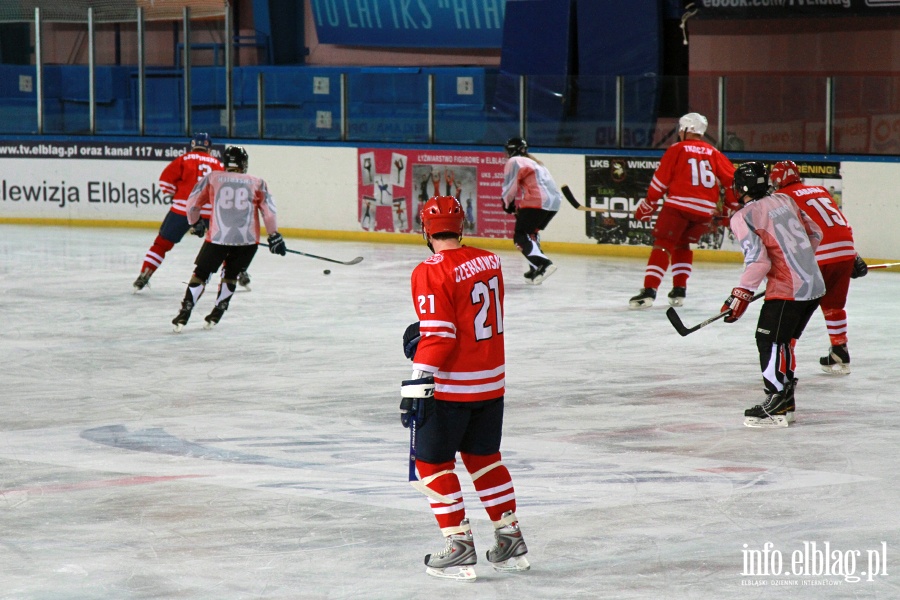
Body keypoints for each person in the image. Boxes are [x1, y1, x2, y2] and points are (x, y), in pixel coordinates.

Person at [399, 195, 529, 581]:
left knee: (432, 463)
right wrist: (425, 333)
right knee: (484, 457)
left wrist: (416, 381)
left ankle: (458, 546)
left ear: (425, 229)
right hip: (491, 381)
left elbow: (442, 336)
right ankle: (510, 540)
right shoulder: (490, 259)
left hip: (452, 387)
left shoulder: (429, 269)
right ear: (462, 225)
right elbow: (466, 317)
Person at [721, 162, 825, 427]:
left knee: (768, 341)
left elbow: (758, 262)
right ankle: (785, 400)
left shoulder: (742, 216)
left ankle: (777, 403)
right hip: (814, 285)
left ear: (740, 188)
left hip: (789, 289)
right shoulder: (784, 199)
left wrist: (740, 295)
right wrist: (797, 264)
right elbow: (816, 232)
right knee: (783, 341)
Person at [171, 146, 286, 332]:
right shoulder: (257, 182)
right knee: (230, 275)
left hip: (217, 237)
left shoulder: (213, 178)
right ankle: (218, 311)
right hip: (247, 241)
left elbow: (192, 204)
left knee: (201, 274)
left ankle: (185, 311)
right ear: (244, 164)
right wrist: (274, 235)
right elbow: (269, 214)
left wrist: (195, 222)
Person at [629, 112, 738, 308]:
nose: (680, 132)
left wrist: (648, 205)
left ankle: (649, 291)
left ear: (687, 129)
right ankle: (679, 289)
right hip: (704, 211)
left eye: (681, 129)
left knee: (663, 244)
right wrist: (730, 208)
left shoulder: (677, 149)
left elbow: (661, 180)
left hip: (678, 207)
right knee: (682, 244)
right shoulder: (714, 152)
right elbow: (732, 182)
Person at [770, 160, 867, 375]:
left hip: (817, 255)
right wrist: (853, 255)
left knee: (796, 308)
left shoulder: (780, 198)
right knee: (834, 304)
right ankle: (840, 351)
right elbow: (839, 221)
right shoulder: (820, 190)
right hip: (845, 250)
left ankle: (784, 360)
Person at [132, 134, 253, 293]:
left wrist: (176, 195)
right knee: (224, 245)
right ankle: (240, 273)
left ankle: (145, 273)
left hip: (184, 208)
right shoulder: (217, 163)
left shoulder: (184, 159)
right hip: (210, 211)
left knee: (162, 243)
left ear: (193, 145)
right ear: (209, 147)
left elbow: (165, 182)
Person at [501, 137, 561, 284]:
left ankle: (543, 264)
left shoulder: (514, 161)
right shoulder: (536, 162)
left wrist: (507, 204)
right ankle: (535, 267)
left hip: (537, 201)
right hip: (554, 203)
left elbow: (510, 186)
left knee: (520, 236)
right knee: (531, 232)